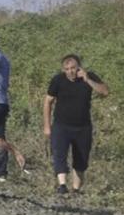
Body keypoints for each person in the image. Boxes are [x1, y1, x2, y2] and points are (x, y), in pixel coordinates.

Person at [43, 54, 109, 196]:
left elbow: (105, 91)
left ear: (79, 67)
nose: (71, 71)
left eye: (73, 68)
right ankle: (62, 185)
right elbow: (48, 101)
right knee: (59, 153)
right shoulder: (58, 80)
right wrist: (47, 126)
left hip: (83, 126)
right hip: (61, 125)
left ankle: (76, 189)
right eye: (67, 69)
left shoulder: (89, 76)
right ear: (63, 69)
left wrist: (88, 79)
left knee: (81, 158)